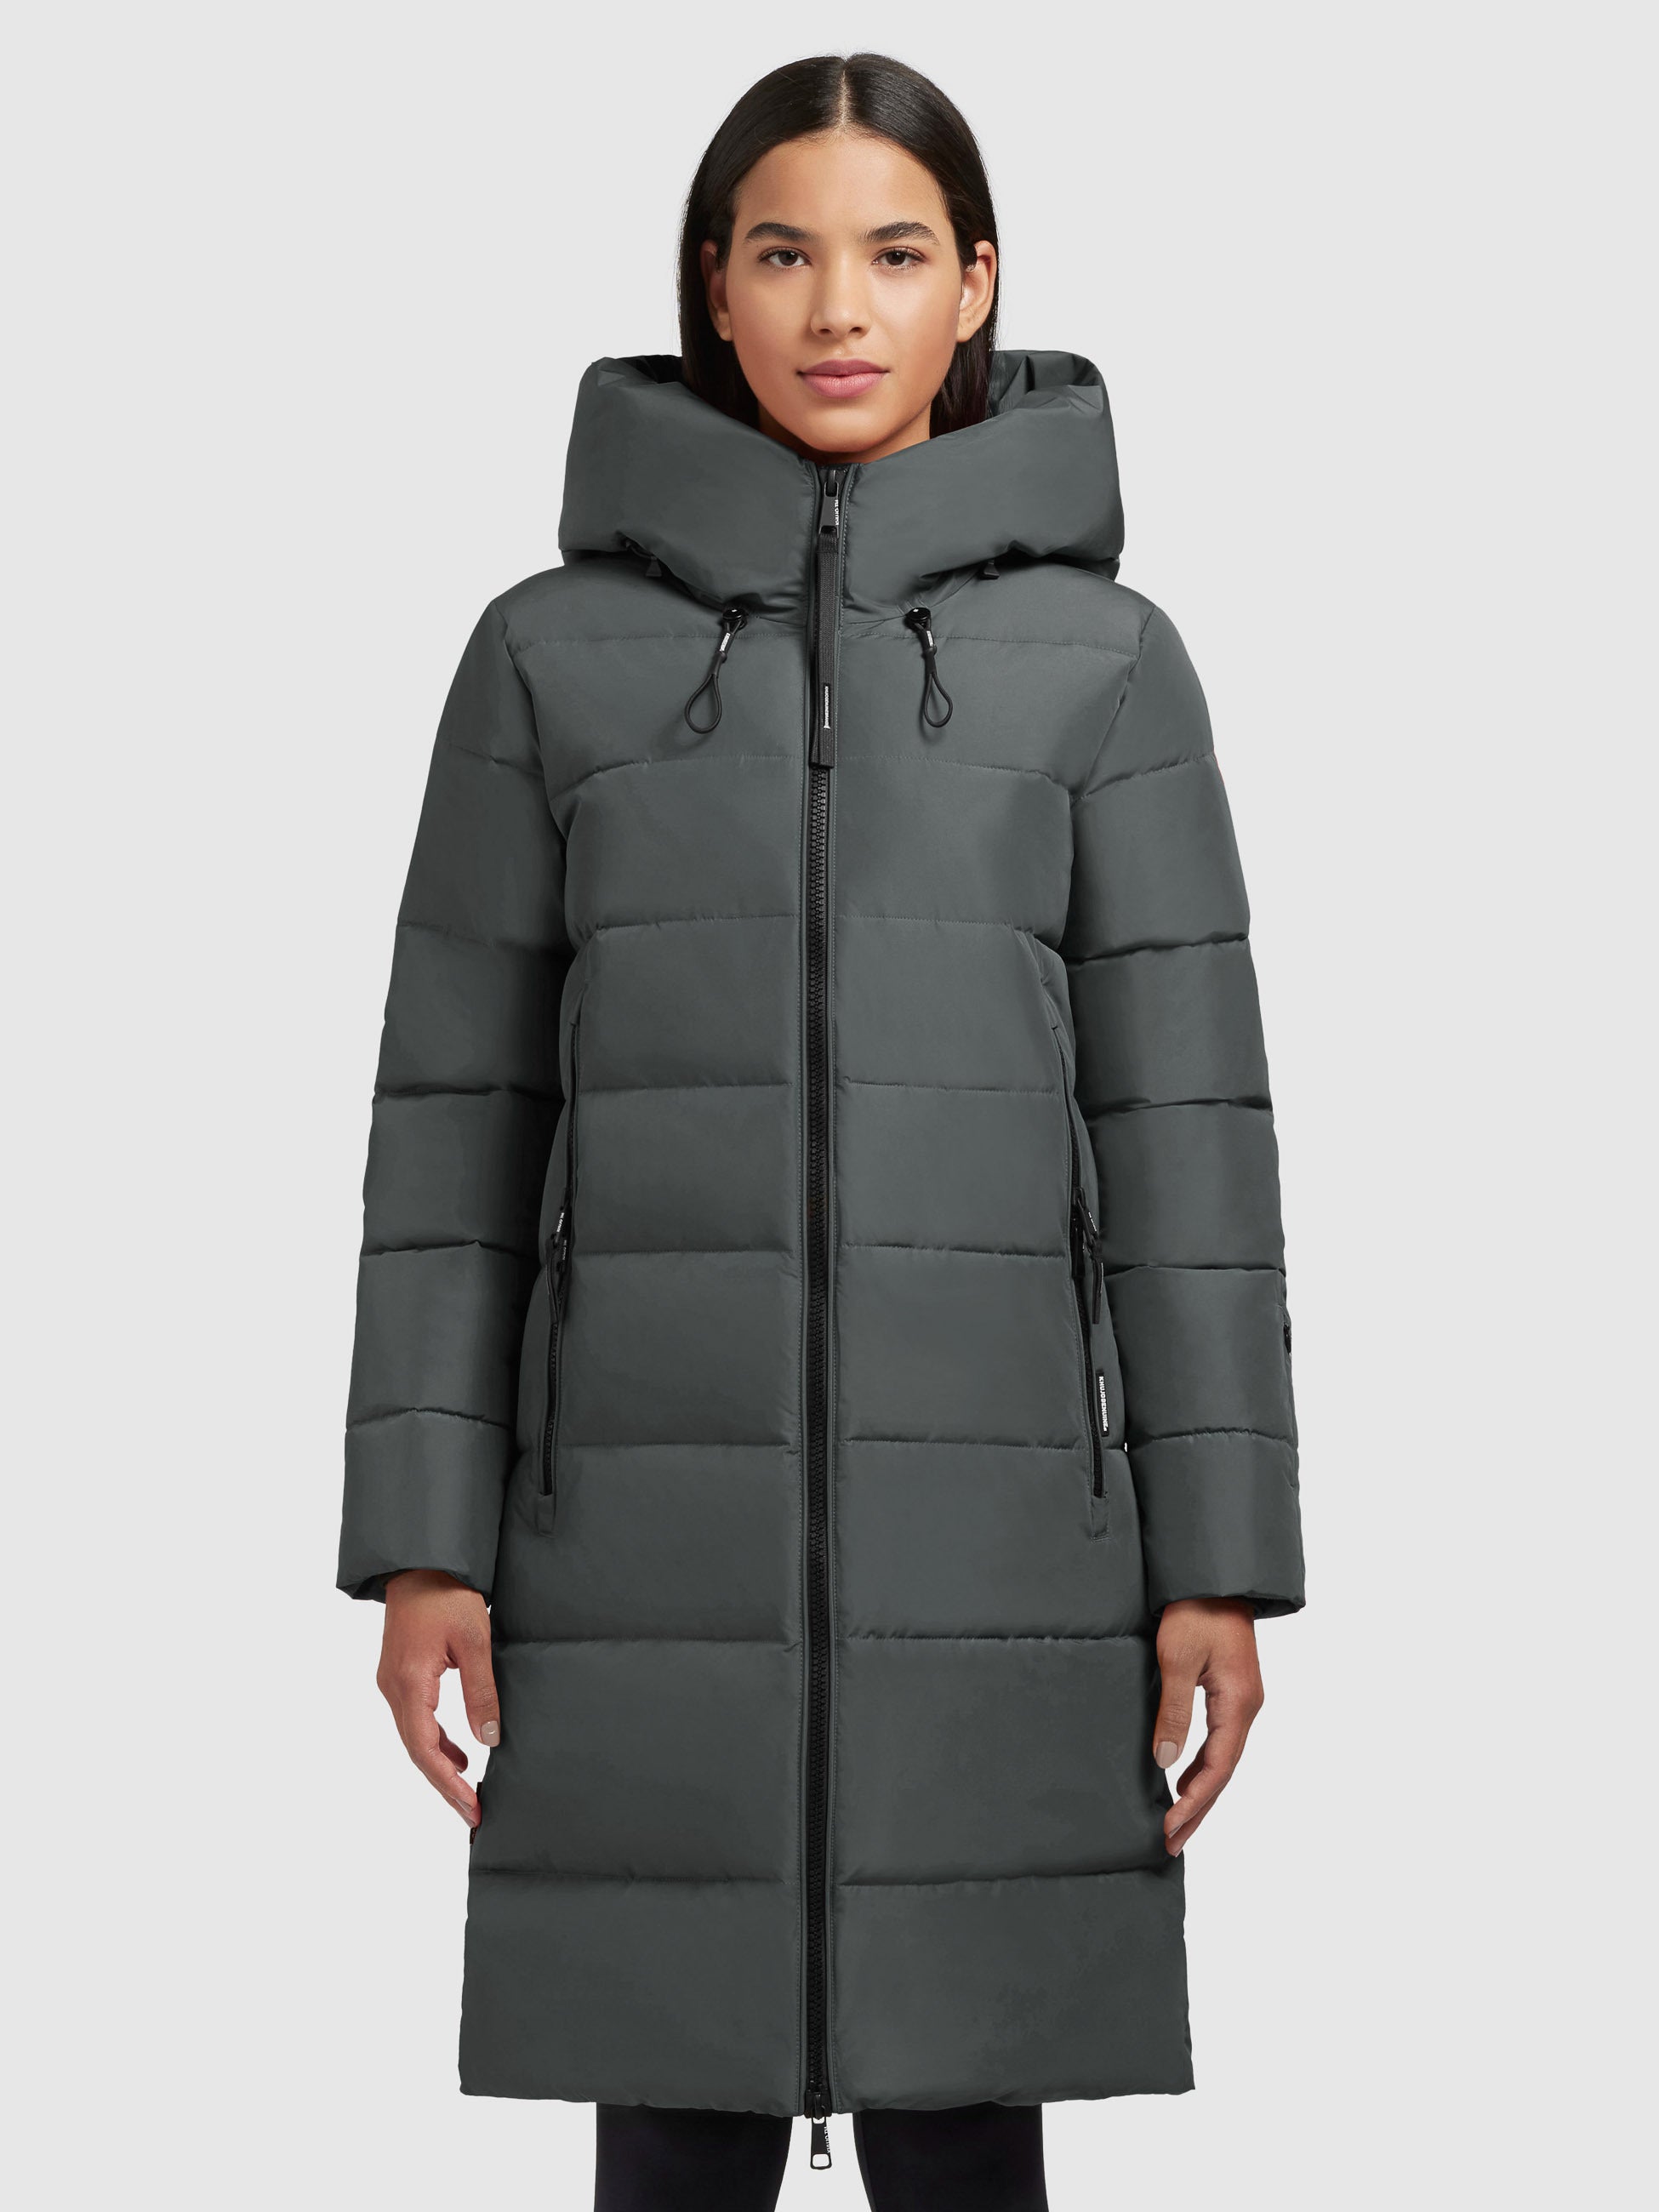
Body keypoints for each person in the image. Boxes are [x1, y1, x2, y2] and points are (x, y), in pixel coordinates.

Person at [338, 49, 1304, 2212]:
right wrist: (425, 1540)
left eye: (893, 253)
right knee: (669, 2120)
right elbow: (457, 1130)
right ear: (714, 285)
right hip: (630, 1544)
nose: (839, 308)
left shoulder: (1105, 668)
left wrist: (1217, 1564)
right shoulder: (548, 661)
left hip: (1009, 1555)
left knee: (971, 2127)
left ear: (979, 284)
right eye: (784, 254)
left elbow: (1189, 1145)